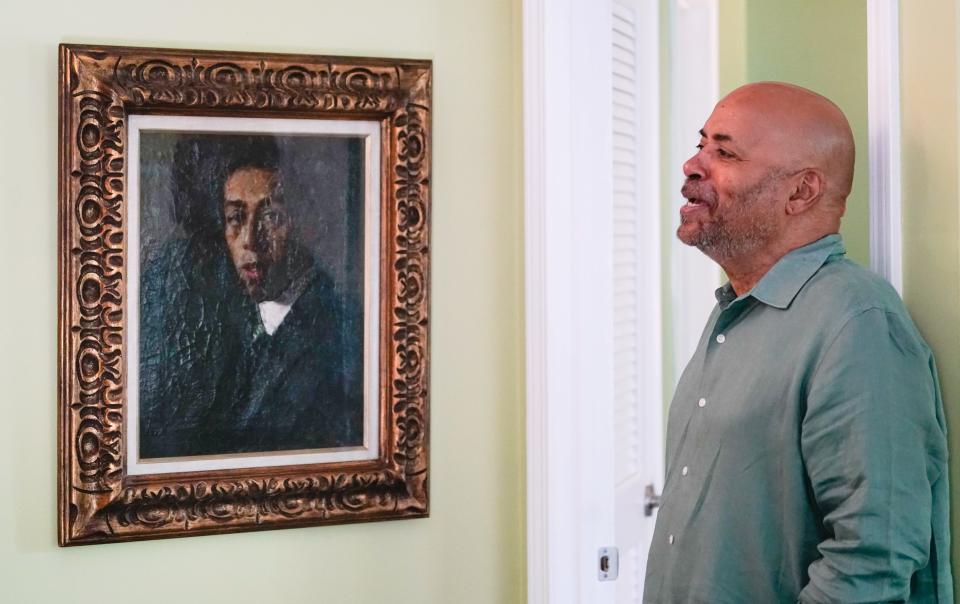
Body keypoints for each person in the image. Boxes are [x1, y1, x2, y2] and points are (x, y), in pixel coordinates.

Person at [643, 82, 952, 603]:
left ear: (801, 192)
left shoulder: (856, 324)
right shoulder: (735, 313)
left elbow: (872, 560)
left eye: (724, 151)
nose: (693, 166)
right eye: (701, 145)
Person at [138, 137, 363, 458]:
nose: (249, 241)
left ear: (303, 221)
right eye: (236, 218)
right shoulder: (233, 319)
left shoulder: (338, 330)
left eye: (270, 216)